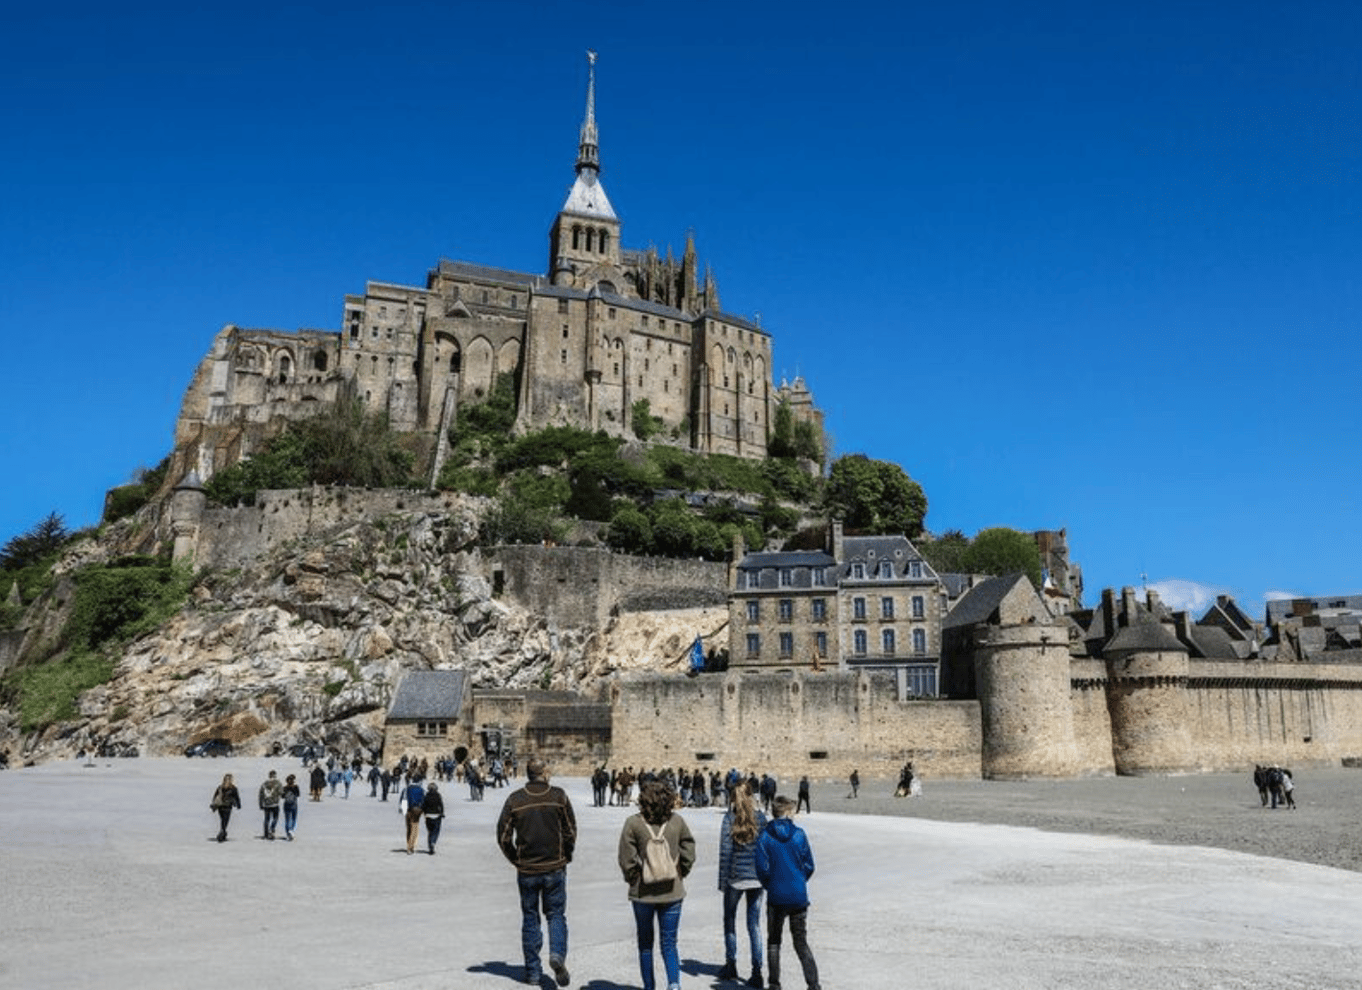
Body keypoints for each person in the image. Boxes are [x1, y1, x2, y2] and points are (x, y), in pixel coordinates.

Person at [497, 758, 577, 988]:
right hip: (554, 866)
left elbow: (502, 836)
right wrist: (566, 854)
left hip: (527, 870)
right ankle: (557, 955)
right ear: (544, 772)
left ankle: (532, 972)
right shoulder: (558, 796)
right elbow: (570, 830)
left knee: (530, 918)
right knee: (556, 915)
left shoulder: (515, 799)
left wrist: (516, 859)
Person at [619, 780, 696, 990]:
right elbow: (689, 850)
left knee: (645, 945)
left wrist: (634, 878)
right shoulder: (677, 822)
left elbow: (626, 859)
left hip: (643, 893)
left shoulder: (633, 823)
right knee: (669, 944)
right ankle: (673, 984)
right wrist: (682, 872)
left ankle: (649, 986)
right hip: (672, 891)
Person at [756, 796, 820, 990]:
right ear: (787, 812)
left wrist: (770, 885)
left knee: (774, 942)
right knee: (801, 942)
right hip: (798, 895)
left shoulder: (765, 836)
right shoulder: (799, 834)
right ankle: (813, 984)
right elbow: (809, 865)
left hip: (776, 896)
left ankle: (774, 984)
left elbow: (761, 868)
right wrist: (799, 880)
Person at [718, 783, 766, 987]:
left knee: (729, 919)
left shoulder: (729, 818)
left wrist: (722, 882)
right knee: (754, 925)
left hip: (736, 878)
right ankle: (757, 972)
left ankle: (731, 964)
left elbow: (725, 852)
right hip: (757, 878)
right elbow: (766, 850)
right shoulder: (762, 818)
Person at [210, 773, 242, 842]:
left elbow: (215, 796)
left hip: (222, 806)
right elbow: (236, 797)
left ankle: (223, 833)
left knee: (223, 820)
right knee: (225, 820)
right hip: (226, 806)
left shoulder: (222, 787)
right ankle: (222, 833)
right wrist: (238, 804)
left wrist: (238, 804)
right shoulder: (232, 788)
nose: (228, 780)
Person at [403, 776, 425, 854]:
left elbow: (403, 799)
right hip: (416, 811)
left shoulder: (407, 788)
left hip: (407, 810)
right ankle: (411, 846)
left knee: (409, 829)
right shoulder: (421, 790)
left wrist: (404, 811)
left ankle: (408, 844)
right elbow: (423, 801)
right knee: (414, 828)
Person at [259, 770, 283, 840]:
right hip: (275, 804)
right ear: (275, 775)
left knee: (266, 819)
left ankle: (266, 834)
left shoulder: (264, 784)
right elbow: (281, 792)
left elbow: (261, 794)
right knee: (275, 817)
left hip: (266, 804)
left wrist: (260, 803)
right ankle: (272, 828)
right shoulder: (278, 783)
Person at [424, 782, 446, 854]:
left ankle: (430, 844)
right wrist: (442, 813)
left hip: (428, 816)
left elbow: (424, 805)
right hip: (437, 815)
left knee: (430, 832)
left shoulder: (426, 795)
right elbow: (441, 805)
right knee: (436, 831)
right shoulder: (438, 795)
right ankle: (433, 842)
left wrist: (425, 813)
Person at [281, 773, 301, 840]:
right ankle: (291, 830)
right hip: (294, 804)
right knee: (293, 818)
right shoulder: (295, 787)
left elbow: (282, 796)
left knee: (287, 819)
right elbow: (298, 795)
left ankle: (288, 833)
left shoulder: (284, 788)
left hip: (286, 804)